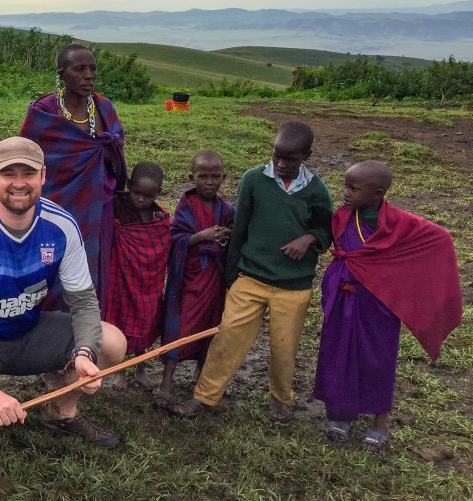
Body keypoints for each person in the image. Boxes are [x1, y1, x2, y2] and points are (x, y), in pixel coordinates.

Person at [0, 137, 128, 459]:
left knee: (111, 342)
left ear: (43, 176)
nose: (19, 184)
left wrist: (84, 353)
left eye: (28, 173)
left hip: (28, 329)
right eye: (9, 174)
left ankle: (60, 412)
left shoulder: (61, 225)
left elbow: (83, 302)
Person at [173, 121, 333, 421]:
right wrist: (232, 276)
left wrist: (309, 238)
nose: (282, 164)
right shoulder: (253, 180)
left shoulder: (316, 190)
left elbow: (327, 228)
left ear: (306, 156)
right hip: (249, 277)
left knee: (283, 348)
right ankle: (204, 397)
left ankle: (281, 399)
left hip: (293, 285)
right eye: (277, 156)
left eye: (291, 159)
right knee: (227, 338)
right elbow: (239, 228)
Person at [314, 160, 462, 452]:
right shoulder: (343, 216)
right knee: (337, 353)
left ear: (377, 193)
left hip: (379, 305)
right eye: (345, 185)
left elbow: (439, 238)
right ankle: (341, 415)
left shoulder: (398, 223)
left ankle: (380, 421)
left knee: (378, 359)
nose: (345, 193)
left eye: (354, 188)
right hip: (344, 298)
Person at [19, 44, 127, 309]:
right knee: (52, 267)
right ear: (62, 74)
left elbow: (116, 151)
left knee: (92, 268)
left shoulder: (104, 108)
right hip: (55, 206)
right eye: (80, 69)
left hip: (96, 208)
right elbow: (25, 158)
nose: (89, 75)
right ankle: (49, 331)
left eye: (92, 69)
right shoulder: (44, 111)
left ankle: (86, 331)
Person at [155, 151, 234, 407]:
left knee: (212, 326)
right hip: (188, 281)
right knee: (180, 326)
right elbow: (176, 238)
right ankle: (167, 380)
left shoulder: (227, 209)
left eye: (215, 176)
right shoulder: (186, 205)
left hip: (215, 278)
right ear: (192, 178)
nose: (209, 182)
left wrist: (223, 238)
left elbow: (233, 239)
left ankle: (202, 379)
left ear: (224, 176)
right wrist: (203, 236)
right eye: (203, 176)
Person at [105, 161, 170, 388]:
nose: (141, 199)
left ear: (158, 193)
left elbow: (161, 248)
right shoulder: (117, 206)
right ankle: (119, 371)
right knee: (119, 320)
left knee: (145, 319)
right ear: (130, 185)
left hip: (147, 282)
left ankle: (141, 367)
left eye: (148, 195)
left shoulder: (159, 219)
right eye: (137, 192)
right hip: (120, 277)